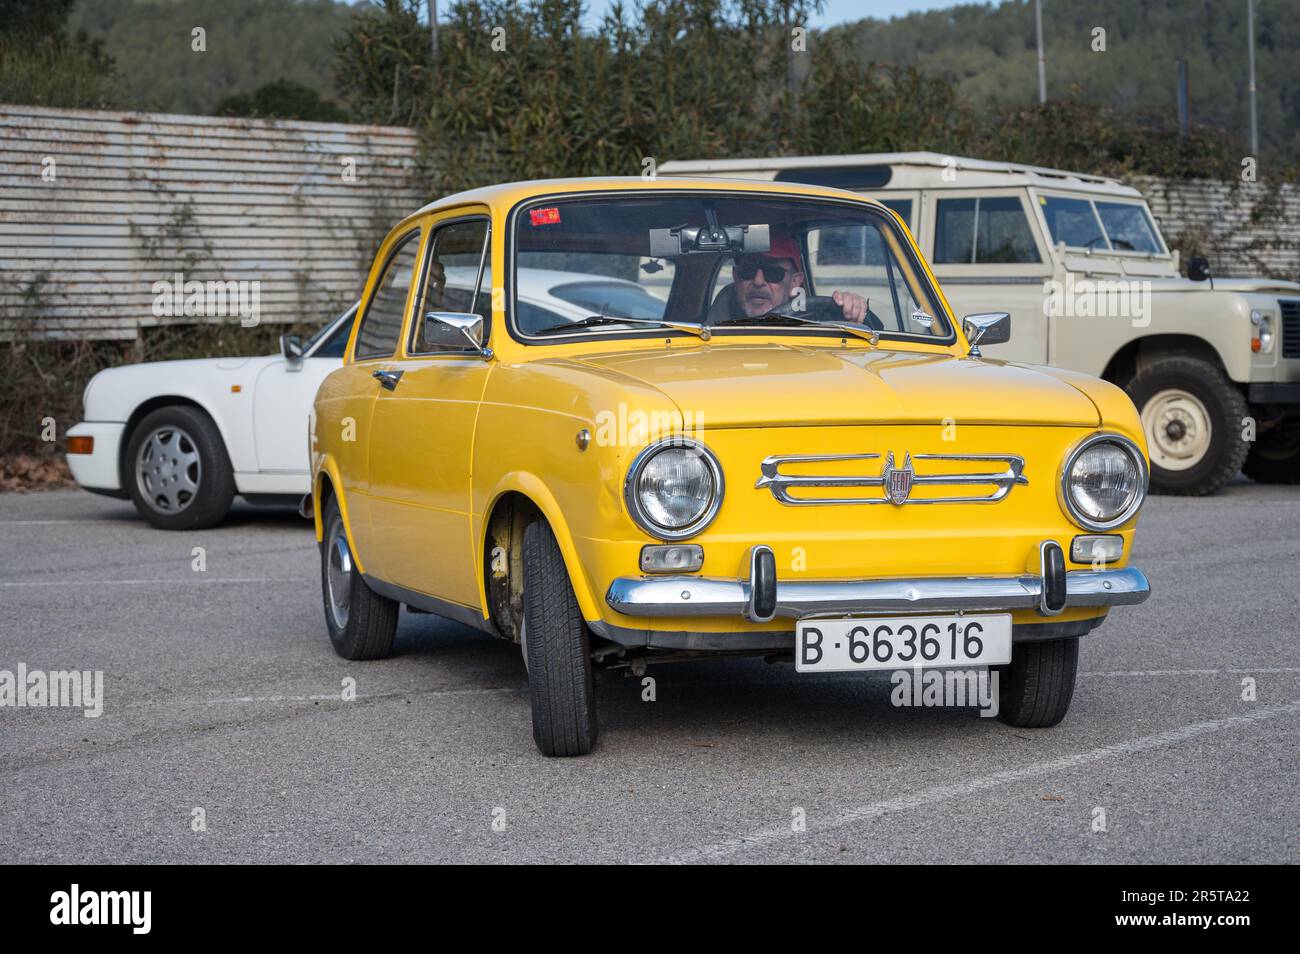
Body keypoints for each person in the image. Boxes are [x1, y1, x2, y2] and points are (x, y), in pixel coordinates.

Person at [707, 230, 870, 324]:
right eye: (747, 271)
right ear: (736, 277)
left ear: (795, 281)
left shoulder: (819, 322)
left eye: (773, 273)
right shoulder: (711, 327)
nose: (758, 281)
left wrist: (852, 309)